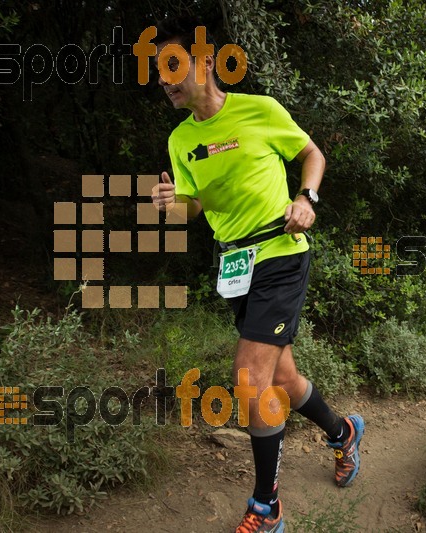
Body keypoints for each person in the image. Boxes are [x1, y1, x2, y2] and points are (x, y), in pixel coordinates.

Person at [150, 17, 364, 533]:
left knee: (249, 378)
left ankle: (266, 506)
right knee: (282, 378)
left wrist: (306, 198)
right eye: (157, 71)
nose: (163, 79)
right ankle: (344, 434)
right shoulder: (181, 141)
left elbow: (313, 154)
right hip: (235, 264)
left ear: (204, 62)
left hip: (281, 250)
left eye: (172, 65)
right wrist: (170, 206)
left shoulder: (259, 110)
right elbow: (195, 208)